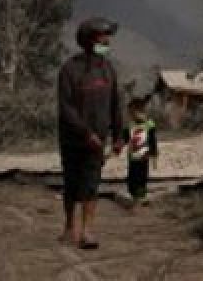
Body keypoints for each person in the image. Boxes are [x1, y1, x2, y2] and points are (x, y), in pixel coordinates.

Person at [57, 16, 123, 249]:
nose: (107, 40)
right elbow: (66, 109)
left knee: (91, 184)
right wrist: (86, 134)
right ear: (90, 40)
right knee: (71, 184)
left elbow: (116, 104)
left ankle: (87, 232)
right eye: (103, 36)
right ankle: (69, 226)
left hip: (98, 142)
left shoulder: (108, 69)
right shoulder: (69, 70)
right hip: (73, 141)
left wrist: (118, 136)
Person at [122, 96, 158, 206]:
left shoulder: (149, 124)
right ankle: (133, 196)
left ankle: (141, 196)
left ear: (139, 111)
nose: (130, 115)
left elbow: (152, 140)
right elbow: (125, 139)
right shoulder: (129, 125)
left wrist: (154, 155)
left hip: (144, 156)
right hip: (132, 156)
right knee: (132, 176)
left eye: (132, 112)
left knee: (142, 177)